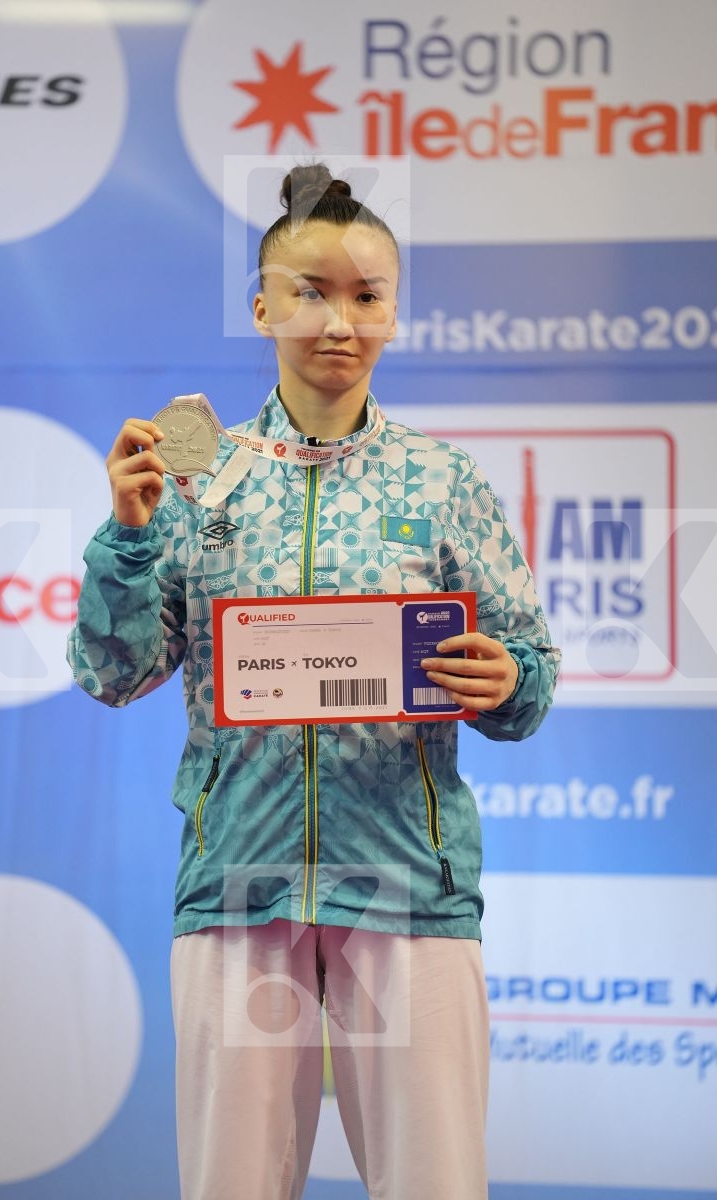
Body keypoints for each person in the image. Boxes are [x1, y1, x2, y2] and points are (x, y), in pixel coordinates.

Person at [68, 163, 560, 1200]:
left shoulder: (442, 481)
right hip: (239, 891)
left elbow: (528, 677)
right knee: (232, 1185)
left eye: (365, 295)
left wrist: (504, 676)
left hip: (407, 893)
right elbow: (114, 674)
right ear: (260, 306)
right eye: (307, 290)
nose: (337, 318)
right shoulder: (199, 473)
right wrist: (123, 535)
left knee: (433, 1183)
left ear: (393, 313)